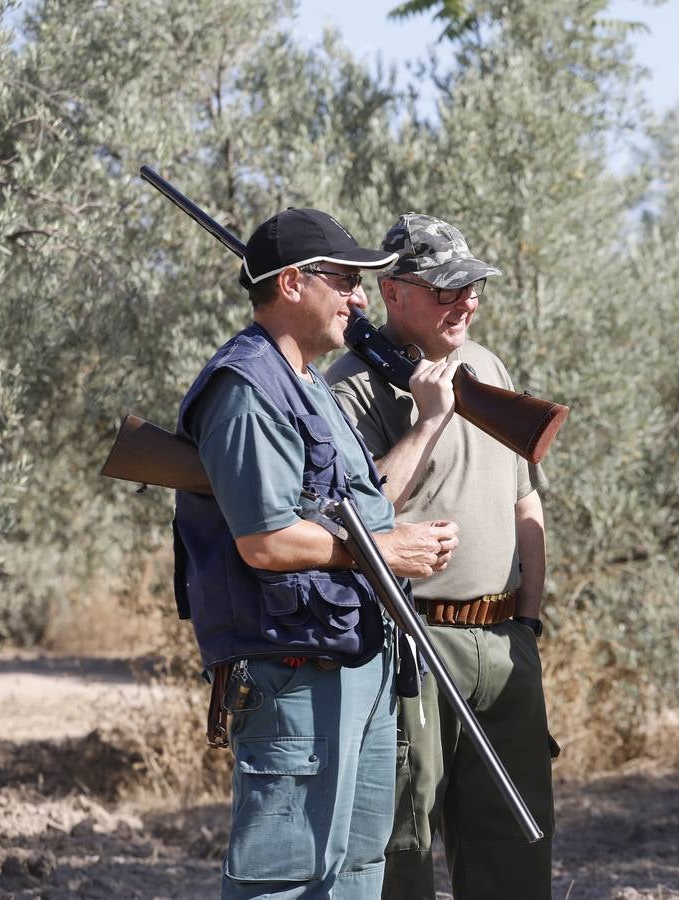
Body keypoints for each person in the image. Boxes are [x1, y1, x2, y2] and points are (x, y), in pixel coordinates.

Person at [174, 207, 459, 898]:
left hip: (354, 659)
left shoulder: (304, 379)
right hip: (294, 672)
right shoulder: (246, 387)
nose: (361, 299)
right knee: (288, 878)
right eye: (347, 281)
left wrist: (425, 435)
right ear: (294, 283)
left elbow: (361, 500)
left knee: (357, 868)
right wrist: (382, 552)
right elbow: (266, 540)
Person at [327, 213, 554, 899]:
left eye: (472, 287)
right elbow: (359, 522)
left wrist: (530, 622)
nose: (468, 302)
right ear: (394, 295)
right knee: (404, 843)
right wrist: (426, 419)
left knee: (515, 843)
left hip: (504, 639)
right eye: (448, 289)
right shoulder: (351, 388)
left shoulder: (485, 367)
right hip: (412, 642)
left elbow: (526, 500)